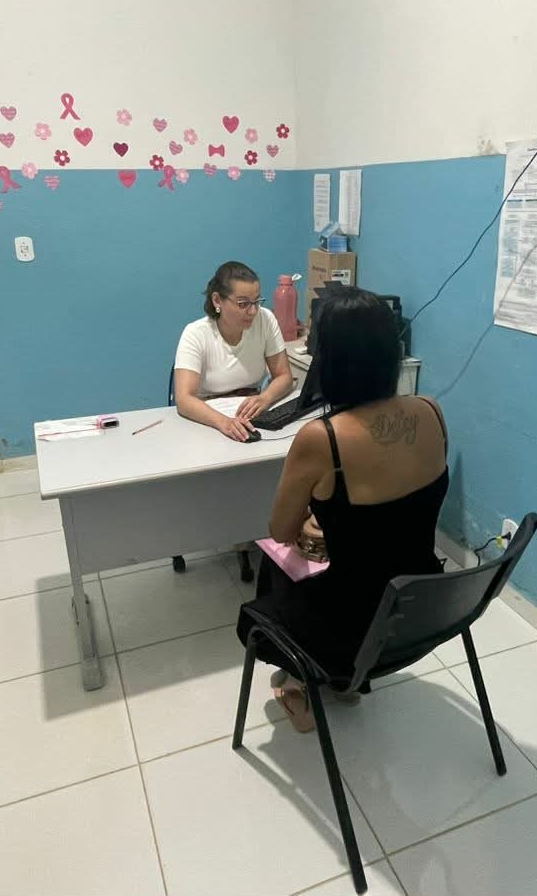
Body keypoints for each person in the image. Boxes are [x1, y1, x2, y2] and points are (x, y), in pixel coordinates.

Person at [236, 290, 449, 732]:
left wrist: (320, 518)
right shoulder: (431, 411)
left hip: (346, 625)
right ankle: (347, 685)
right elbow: (397, 506)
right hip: (420, 610)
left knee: (275, 564)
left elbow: (281, 529)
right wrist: (337, 517)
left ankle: (299, 682)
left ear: (328, 362)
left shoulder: (322, 438)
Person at [173, 261, 295, 442]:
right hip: (208, 420)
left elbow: (284, 376)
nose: (253, 311)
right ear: (217, 300)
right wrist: (224, 422)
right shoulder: (196, 334)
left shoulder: (265, 319)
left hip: (251, 415)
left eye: (256, 301)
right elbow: (184, 399)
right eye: (243, 303)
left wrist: (265, 398)